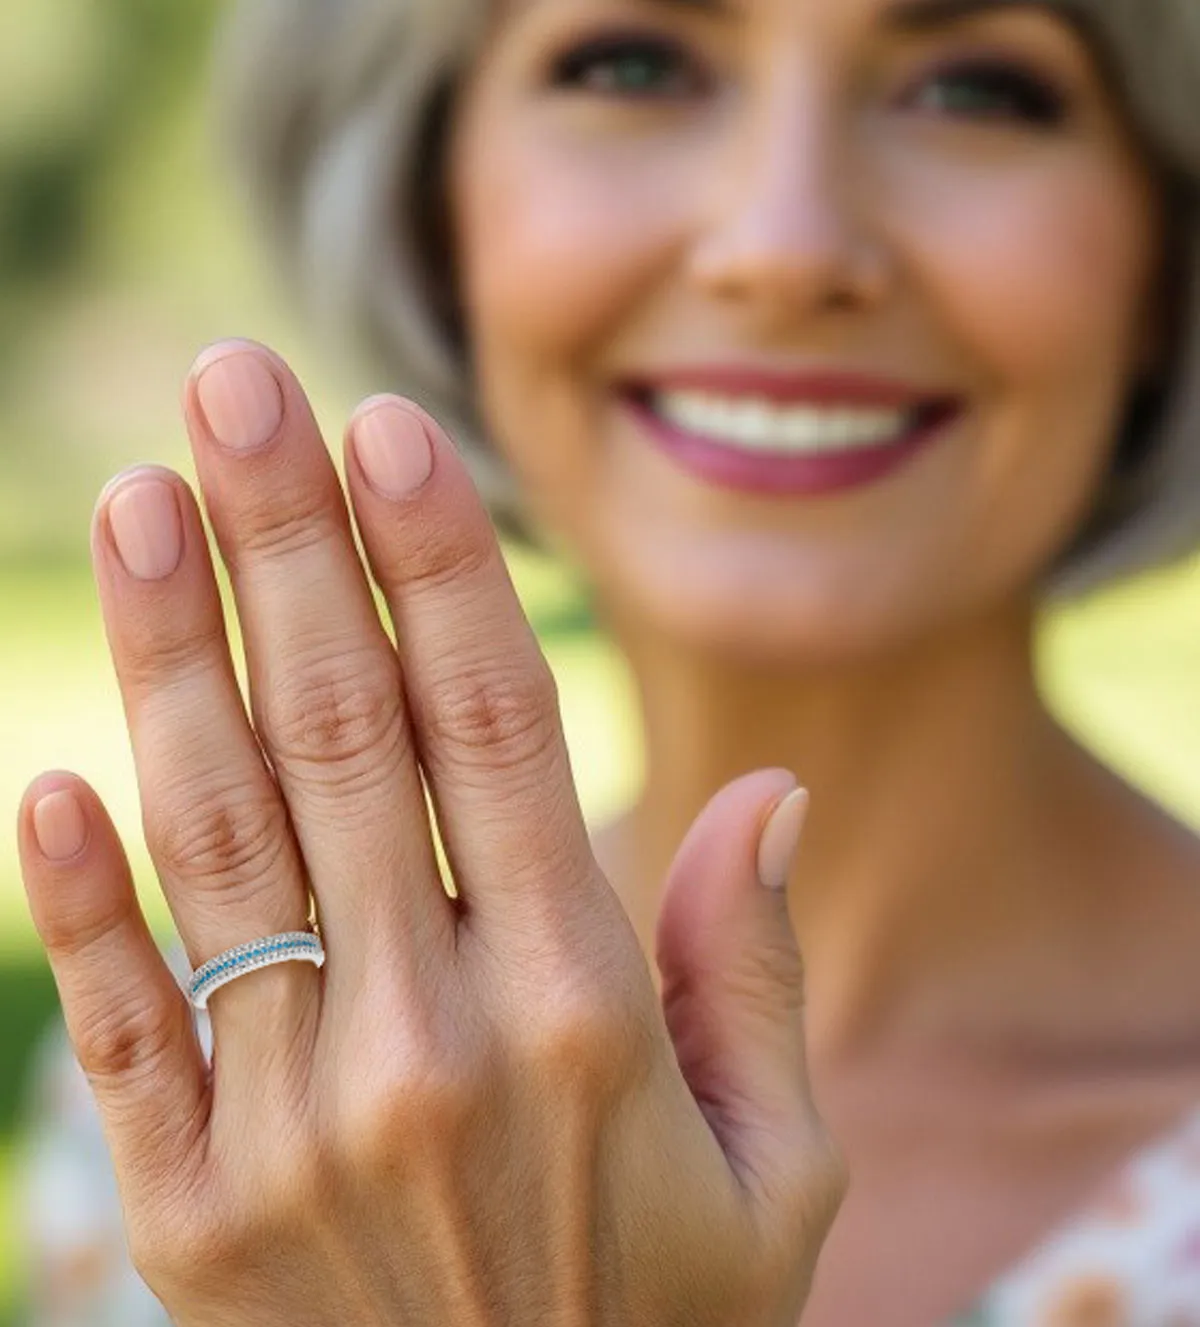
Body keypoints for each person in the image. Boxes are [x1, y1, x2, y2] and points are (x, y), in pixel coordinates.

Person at [13, 0, 1200, 1322]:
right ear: (432, 207)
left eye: (979, 90)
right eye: (631, 64)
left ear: (1165, 254)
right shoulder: (211, 1089)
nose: (785, 246)